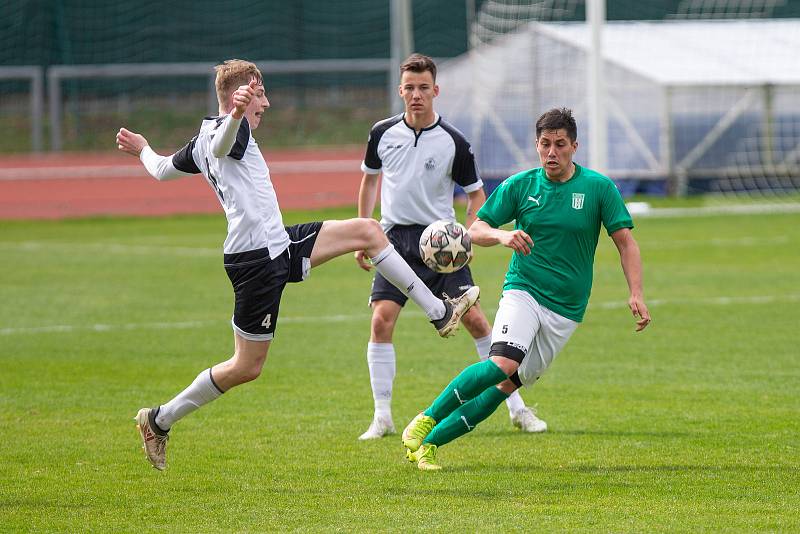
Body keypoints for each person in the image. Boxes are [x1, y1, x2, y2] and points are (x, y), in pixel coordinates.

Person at [116, 59, 480, 471]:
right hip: (255, 262)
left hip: (279, 245)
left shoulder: (204, 135)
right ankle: (159, 420)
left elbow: (162, 169)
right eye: (260, 95)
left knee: (368, 231)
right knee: (246, 366)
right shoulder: (224, 133)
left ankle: (439, 311)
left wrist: (142, 148)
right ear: (243, 95)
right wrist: (236, 114)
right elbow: (222, 144)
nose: (266, 104)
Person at [401, 107, 652, 470]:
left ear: (574, 146)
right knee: (501, 363)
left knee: (507, 385)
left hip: (566, 310)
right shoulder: (520, 185)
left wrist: (636, 293)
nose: (552, 152)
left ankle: (428, 445)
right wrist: (504, 235)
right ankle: (425, 418)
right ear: (536, 145)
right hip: (524, 291)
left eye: (560, 144)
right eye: (545, 144)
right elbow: (475, 230)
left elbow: (626, 243)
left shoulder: (598, 188)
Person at [354, 54, 545, 440]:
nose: (416, 94)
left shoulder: (454, 141)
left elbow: (478, 196)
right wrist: (364, 231)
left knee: (477, 321)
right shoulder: (382, 134)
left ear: (435, 90)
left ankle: (517, 408)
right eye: (409, 87)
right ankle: (382, 417)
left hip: (442, 244)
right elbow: (369, 182)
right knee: (380, 321)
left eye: (424, 87)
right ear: (400, 90)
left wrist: (469, 235)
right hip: (395, 242)